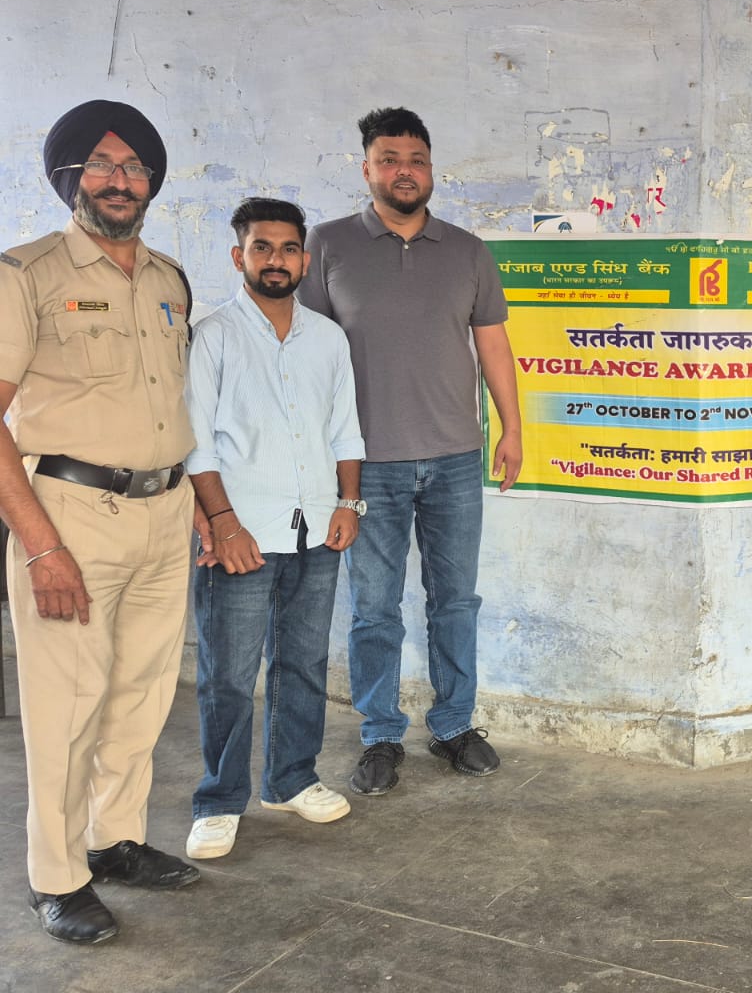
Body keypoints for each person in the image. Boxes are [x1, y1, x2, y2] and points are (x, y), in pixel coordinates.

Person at [0, 100, 203, 944]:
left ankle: (114, 839)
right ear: (69, 176)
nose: (120, 181)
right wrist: (41, 546)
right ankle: (57, 876)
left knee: (142, 693)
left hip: (165, 509)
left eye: (135, 167)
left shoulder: (167, 279)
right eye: (102, 165)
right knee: (68, 705)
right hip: (71, 516)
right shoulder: (26, 275)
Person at [299, 107, 523, 796]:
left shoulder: (467, 250)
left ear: (431, 169)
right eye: (390, 159)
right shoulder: (328, 245)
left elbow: (493, 345)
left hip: (455, 457)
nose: (405, 171)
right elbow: (306, 351)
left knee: (455, 601)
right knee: (375, 609)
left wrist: (512, 428)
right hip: (366, 464)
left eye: (416, 160)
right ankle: (380, 734)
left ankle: (455, 725)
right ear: (366, 168)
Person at [183, 198, 367, 860]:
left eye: (289, 249)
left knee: (303, 663)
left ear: (304, 261)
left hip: (317, 528)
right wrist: (224, 523)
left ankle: (291, 779)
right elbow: (195, 442)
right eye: (262, 247)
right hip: (243, 535)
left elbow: (345, 428)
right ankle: (218, 800)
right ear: (240, 256)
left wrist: (349, 502)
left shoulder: (328, 338)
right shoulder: (213, 336)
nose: (276, 260)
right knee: (229, 675)